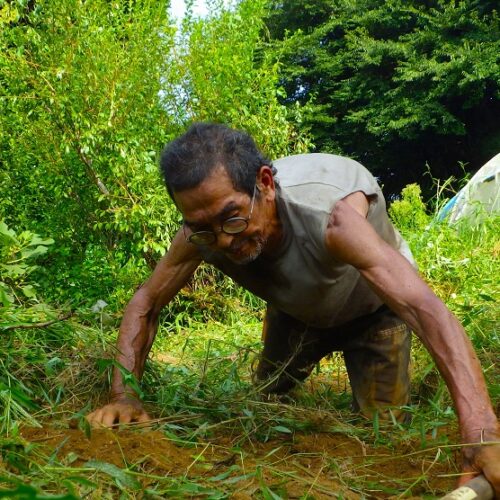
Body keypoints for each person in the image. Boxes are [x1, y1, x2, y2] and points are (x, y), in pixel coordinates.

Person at [87, 123, 500, 494]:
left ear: (264, 183)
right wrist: (125, 396)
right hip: (295, 315)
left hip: (375, 313)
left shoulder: (333, 218)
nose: (224, 241)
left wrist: (482, 431)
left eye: (232, 219)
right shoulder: (203, 231)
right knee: (266, 405)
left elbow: (421, 307)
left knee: (385, 434)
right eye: (202, 229)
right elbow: (146, 300)